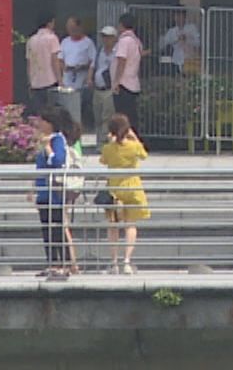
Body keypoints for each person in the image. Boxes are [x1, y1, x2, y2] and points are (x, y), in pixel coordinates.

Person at [99, 114, 148, 275]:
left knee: (113, 226)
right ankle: (127, 262)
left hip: (114, 188)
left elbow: (103, 161)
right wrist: (134, 137)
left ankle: (113, 263)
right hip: (132, 187)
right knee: (130, 225)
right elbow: (144, 155)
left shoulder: (109, 148)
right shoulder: (133, 147)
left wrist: (110, 142)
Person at [32, 108, 76, 279]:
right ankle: (52, 263)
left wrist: (48, 148)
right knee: (47, 230)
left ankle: (64, 263)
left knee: (57, 229)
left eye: (43, 121)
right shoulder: (44, 140)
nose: (39, 124)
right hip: (44, 192)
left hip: (54, 194)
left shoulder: (57, 139)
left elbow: (57, 162)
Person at [111, 14, 144, 131]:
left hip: (123, 84)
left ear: (121, 25)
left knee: (122, 117)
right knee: (132, 116)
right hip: (133, 82)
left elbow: (121, 61)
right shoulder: (137, 41)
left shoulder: (124, 41)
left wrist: (116, 82)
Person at [25, 14, 62, 116]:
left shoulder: (31, 40)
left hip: (35, 83)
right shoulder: (52, 38)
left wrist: (30, 82)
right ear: (49, 23)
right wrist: (60, 80)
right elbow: (54, 61)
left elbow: (29, 63)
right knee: (52, 113)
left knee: (39, 114)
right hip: (50, 81)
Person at [59, 17, 98, 95]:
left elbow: (93, 61)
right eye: (69, 29)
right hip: (67, 81)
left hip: (82, 80)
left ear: (79, 27)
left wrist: (83, 67)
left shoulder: (88, 42)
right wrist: (64, 68)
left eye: (73, 28)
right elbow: (60, 59)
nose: (71, 31)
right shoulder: (64, 42)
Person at [93, 23, 119, 140]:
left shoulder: (117, 52)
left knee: (107, 116)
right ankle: (99, 140)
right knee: (98, 116)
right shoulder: (99, 51)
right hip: (98, 88)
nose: (105, 39)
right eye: (103, 36)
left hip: (109, 88)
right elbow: (94, 66)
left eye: (108, 36)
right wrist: (90, 78)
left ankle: (105, 140)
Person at [160, 8, 202, 76]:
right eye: (177, 16)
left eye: (181, 16)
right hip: (176, 61)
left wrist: (188, 38)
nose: (179, 19)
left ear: (185, 17)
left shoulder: (192, 28)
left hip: (189, 61)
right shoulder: (172, 31)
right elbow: (162, 44)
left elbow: (198, 43)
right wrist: (176, 39)